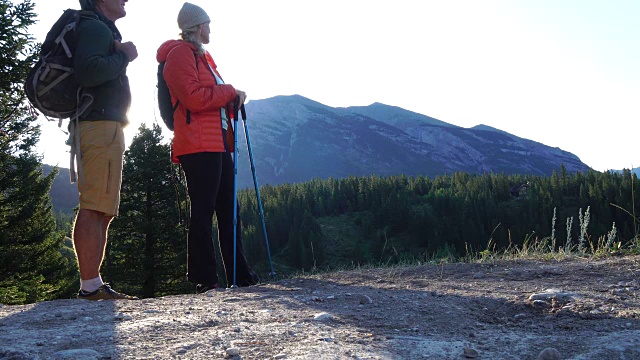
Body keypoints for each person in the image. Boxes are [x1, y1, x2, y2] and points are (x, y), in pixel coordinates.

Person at [156, 2, 260, 293]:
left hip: (215, 142)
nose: (210, 28)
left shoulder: (203, 56)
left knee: (229, 210)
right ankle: (207, 280)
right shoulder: (179, 55)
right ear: (196, 26)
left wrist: (230, 99)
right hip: (197, 145)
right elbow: (193, 98)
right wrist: (229, 92)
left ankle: (241, 276)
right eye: (207, 24)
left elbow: (208, 98)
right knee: (203, 211)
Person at [72, 0, 139, 300]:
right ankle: (90, 285)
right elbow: (89, 71)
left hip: (106, 124)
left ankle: (93, 284)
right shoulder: (95, 27)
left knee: (104, 208)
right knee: (95, 204)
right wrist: (124, 57)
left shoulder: (100, 27)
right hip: (99, 124)